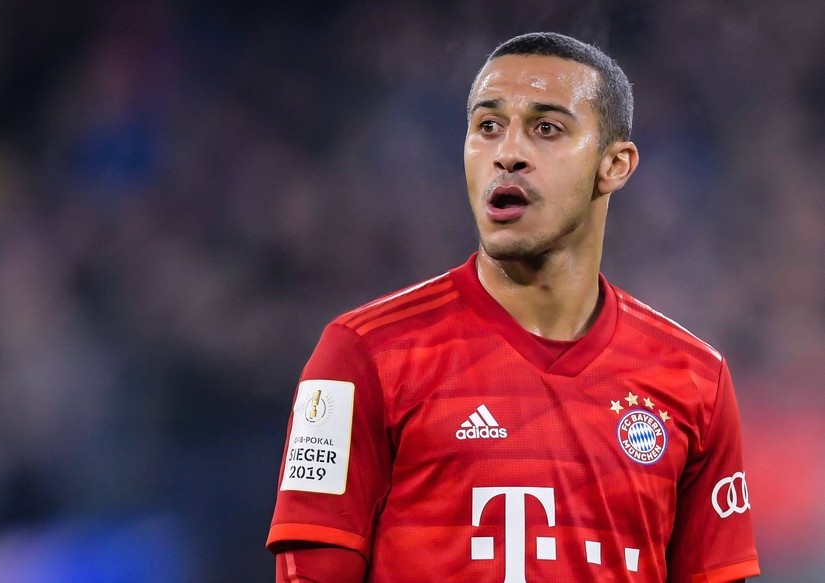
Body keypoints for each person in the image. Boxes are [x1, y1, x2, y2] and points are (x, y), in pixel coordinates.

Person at [265, 31, 760, 582]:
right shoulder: (360, 356)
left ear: (614, 165)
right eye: (487, 127)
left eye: (547, 129)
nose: (508, 153)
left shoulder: (695, 379)